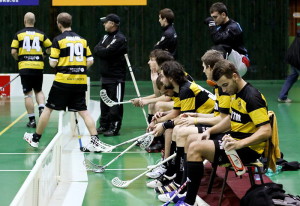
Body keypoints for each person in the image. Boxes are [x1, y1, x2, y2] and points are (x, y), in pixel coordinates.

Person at [173, 59, 272, 206]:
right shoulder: (235, 93)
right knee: (191, 138)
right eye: (221, 87)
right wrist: (210, 131)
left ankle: (189, 201)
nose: (224, 90)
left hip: (248, 149)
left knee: (195, 148)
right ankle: (185, 191)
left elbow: (266, 131)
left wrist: (239, 144)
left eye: (225, 85)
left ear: (235, 76)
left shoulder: (251, 97)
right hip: (233, 140)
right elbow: (229, 120)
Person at [22, 12, 105, 152]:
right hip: (80, 81)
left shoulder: (58, 40)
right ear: (70, 23)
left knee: (48, 109)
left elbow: (53, 63)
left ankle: (35, 139)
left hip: (63, 81)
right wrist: (80, 68)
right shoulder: (82, 40)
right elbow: (90, 60)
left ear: (59, 24)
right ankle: (95, 141)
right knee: (84, 111)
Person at [153, 50, 231, 197]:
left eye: (203, 66)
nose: (202, 70)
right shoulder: (217, 86)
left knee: (181, 131)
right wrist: (195, 115)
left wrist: (194, 119)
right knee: (177, 130)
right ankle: (176, 177)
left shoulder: (217, 88)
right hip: (212, 121)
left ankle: (178, 182)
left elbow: (223, 120)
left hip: (224, 131)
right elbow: (216, 116)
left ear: (210, 67)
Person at [11, 12, 52, 128]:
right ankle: (41, 108)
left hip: (25, 67)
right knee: (38, 90)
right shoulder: (41, 34)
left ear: (25, 21)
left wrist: (19, 60)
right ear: (34, 21)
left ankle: (32, 120)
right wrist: (43, 55)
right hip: (38, 66)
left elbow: (13, 51)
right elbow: (50, 48)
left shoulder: (19, 34)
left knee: (28, 94)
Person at [94, 13, 127, 137]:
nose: (104, 24)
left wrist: (104, 50)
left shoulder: (120, 38)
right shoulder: (105, 37)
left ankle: (115, 127)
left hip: (116, 77)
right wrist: (103, 50)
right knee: (104, 102)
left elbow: (107, 52)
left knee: (115, 103)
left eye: (105, 22)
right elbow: (97, 49)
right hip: (105, 77)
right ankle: (104, 125)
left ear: (112, 23)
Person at [204, 2, 249, 77]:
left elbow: (217, 39)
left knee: (219, 48)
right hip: (230, 63)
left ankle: (216, 74)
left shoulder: (233, 27)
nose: (214, 20)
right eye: (212, 18)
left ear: (223, 15)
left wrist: (211, 25)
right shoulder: (221, 27)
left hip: (241, 62)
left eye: (215, 17)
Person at [278, 29, 300, 103]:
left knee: (292, 77)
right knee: (292, 77)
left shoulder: (298, 34)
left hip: (292, 58)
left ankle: (282, 96)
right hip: (297, 60)